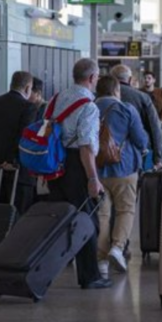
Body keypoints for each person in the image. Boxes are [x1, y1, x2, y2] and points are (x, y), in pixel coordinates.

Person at [48, 58, 111, 289]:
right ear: (92, 78)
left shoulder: (58, 98)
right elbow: (86, 147)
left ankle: (44, 267)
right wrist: (93, 179)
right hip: (77, 165)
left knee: (60, 219)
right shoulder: (88, 106)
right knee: (87, 220)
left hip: (55, 163)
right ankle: (90, 276)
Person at [94, 75, 147, 278]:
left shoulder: (90, 109)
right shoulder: (126, 109)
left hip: (96, 171)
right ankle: (117, 248)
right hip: (124, 169)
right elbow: (141, 140)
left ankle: (101, 262)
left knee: (102, 215)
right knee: (125, 210)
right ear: (117, 91)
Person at [0, 71, 38, 215]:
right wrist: (13, 160)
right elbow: (24, 138)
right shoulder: (28, 107)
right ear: (27, 88)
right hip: (18, 171)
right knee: (19, 217)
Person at [110, 65, 162, 169]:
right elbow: (155, 127)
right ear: (130, 79)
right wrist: (157, 158)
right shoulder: (142, 97)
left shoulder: (99, 97)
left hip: (106, 150)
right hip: (136, 151)